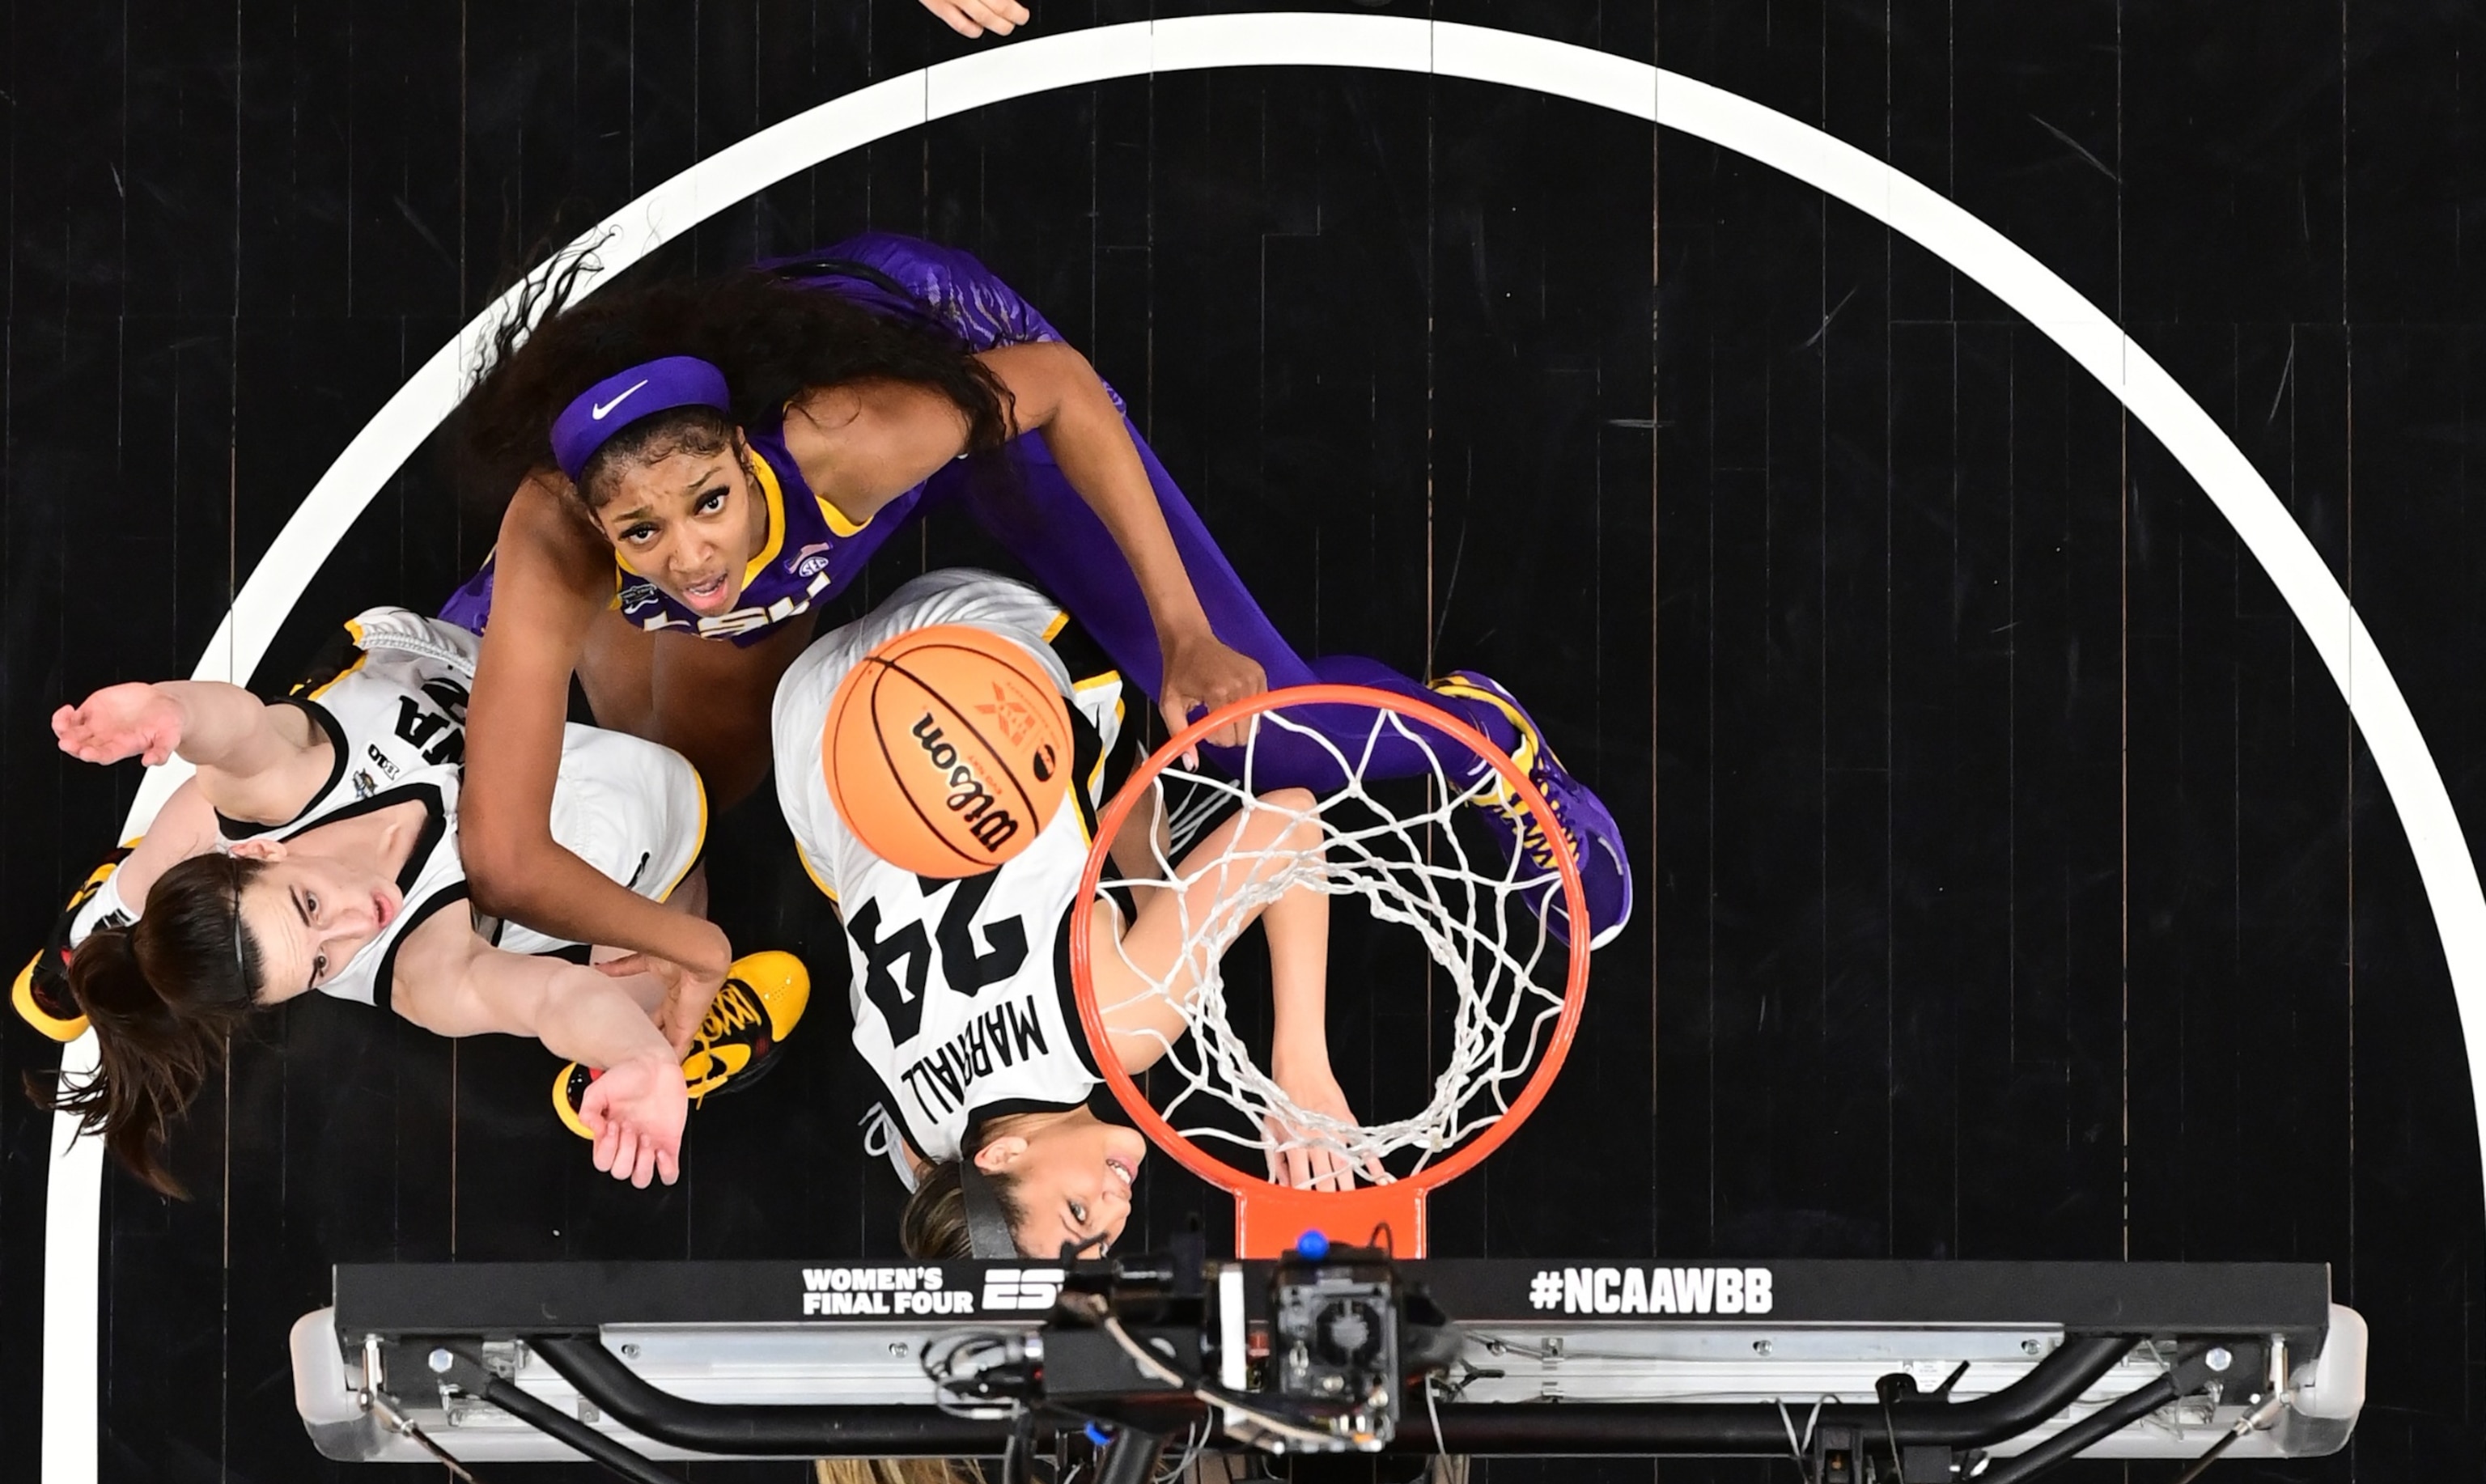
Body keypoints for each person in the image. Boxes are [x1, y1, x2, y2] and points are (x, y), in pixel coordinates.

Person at [442, 230, 1631, 1061]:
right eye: (642, 532)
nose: (689, 556)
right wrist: (673, 943)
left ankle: (1480, 735)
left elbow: (1058, 389)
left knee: (1263, 734)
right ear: (594, 522)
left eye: (708, 505)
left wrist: (1183, 634)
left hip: (957, 366)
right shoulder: (556, 538)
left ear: (741, 460)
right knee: (683, 765)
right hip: (788, 462)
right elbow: (497, 845)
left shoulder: (845, 435)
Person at [15, 608, 809, 1194]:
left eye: (312, 911)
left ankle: (102, 918)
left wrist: (169, 708)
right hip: (564, 801)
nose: (366, 921)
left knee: (185, 821)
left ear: (264, 849)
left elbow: (232, 729)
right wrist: (638, 1056)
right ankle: (643, 1060)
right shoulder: (418, 972)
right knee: (661, 848)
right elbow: (556, 994)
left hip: (442, 659)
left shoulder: (271, 790)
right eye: (324, 964)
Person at [774, 569, 1375, 1262]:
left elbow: (1291, 821)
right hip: (811, 716)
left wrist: (1301, 1064)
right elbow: (934, 1190)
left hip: (967, 642)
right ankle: (1147, 862)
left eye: (1077, 1212)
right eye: (1100, 1246)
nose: (1115, 1215)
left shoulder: (1124, 1026)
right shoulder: (921, 1141)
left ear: (1001, 1154)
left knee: (1139, 887)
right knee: (869, 875)